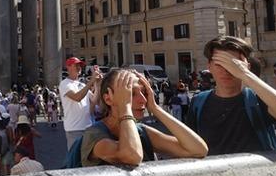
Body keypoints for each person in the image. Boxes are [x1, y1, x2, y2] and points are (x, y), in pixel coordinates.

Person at [185, 36, 276, 156]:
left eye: (233, 64)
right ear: (209, 66)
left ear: (247, 66)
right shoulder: (198, 102)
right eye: (220, 64)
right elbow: (190, 145)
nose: (227, 70)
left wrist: (245, 74)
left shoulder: (258, 99)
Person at [80, 70, 208, 167]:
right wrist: (125, 106)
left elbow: (198, 149)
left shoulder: (142, 132)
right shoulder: (94, 135)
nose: (143, 99)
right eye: (130, 93)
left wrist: (155, 108)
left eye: (144, 92)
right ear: (108, 98)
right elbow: (132, 156)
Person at [59, 58, 101, 151]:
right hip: (74, 129)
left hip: (88, 127)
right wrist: (91, 82)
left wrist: (97, 84)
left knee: (88, 158)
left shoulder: (82, 85)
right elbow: (77, 97)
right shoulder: (64, 84)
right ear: (68, 67)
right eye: (76, 65)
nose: (79, 68)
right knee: (75, 159)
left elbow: (94, 100)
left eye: (80, 66)